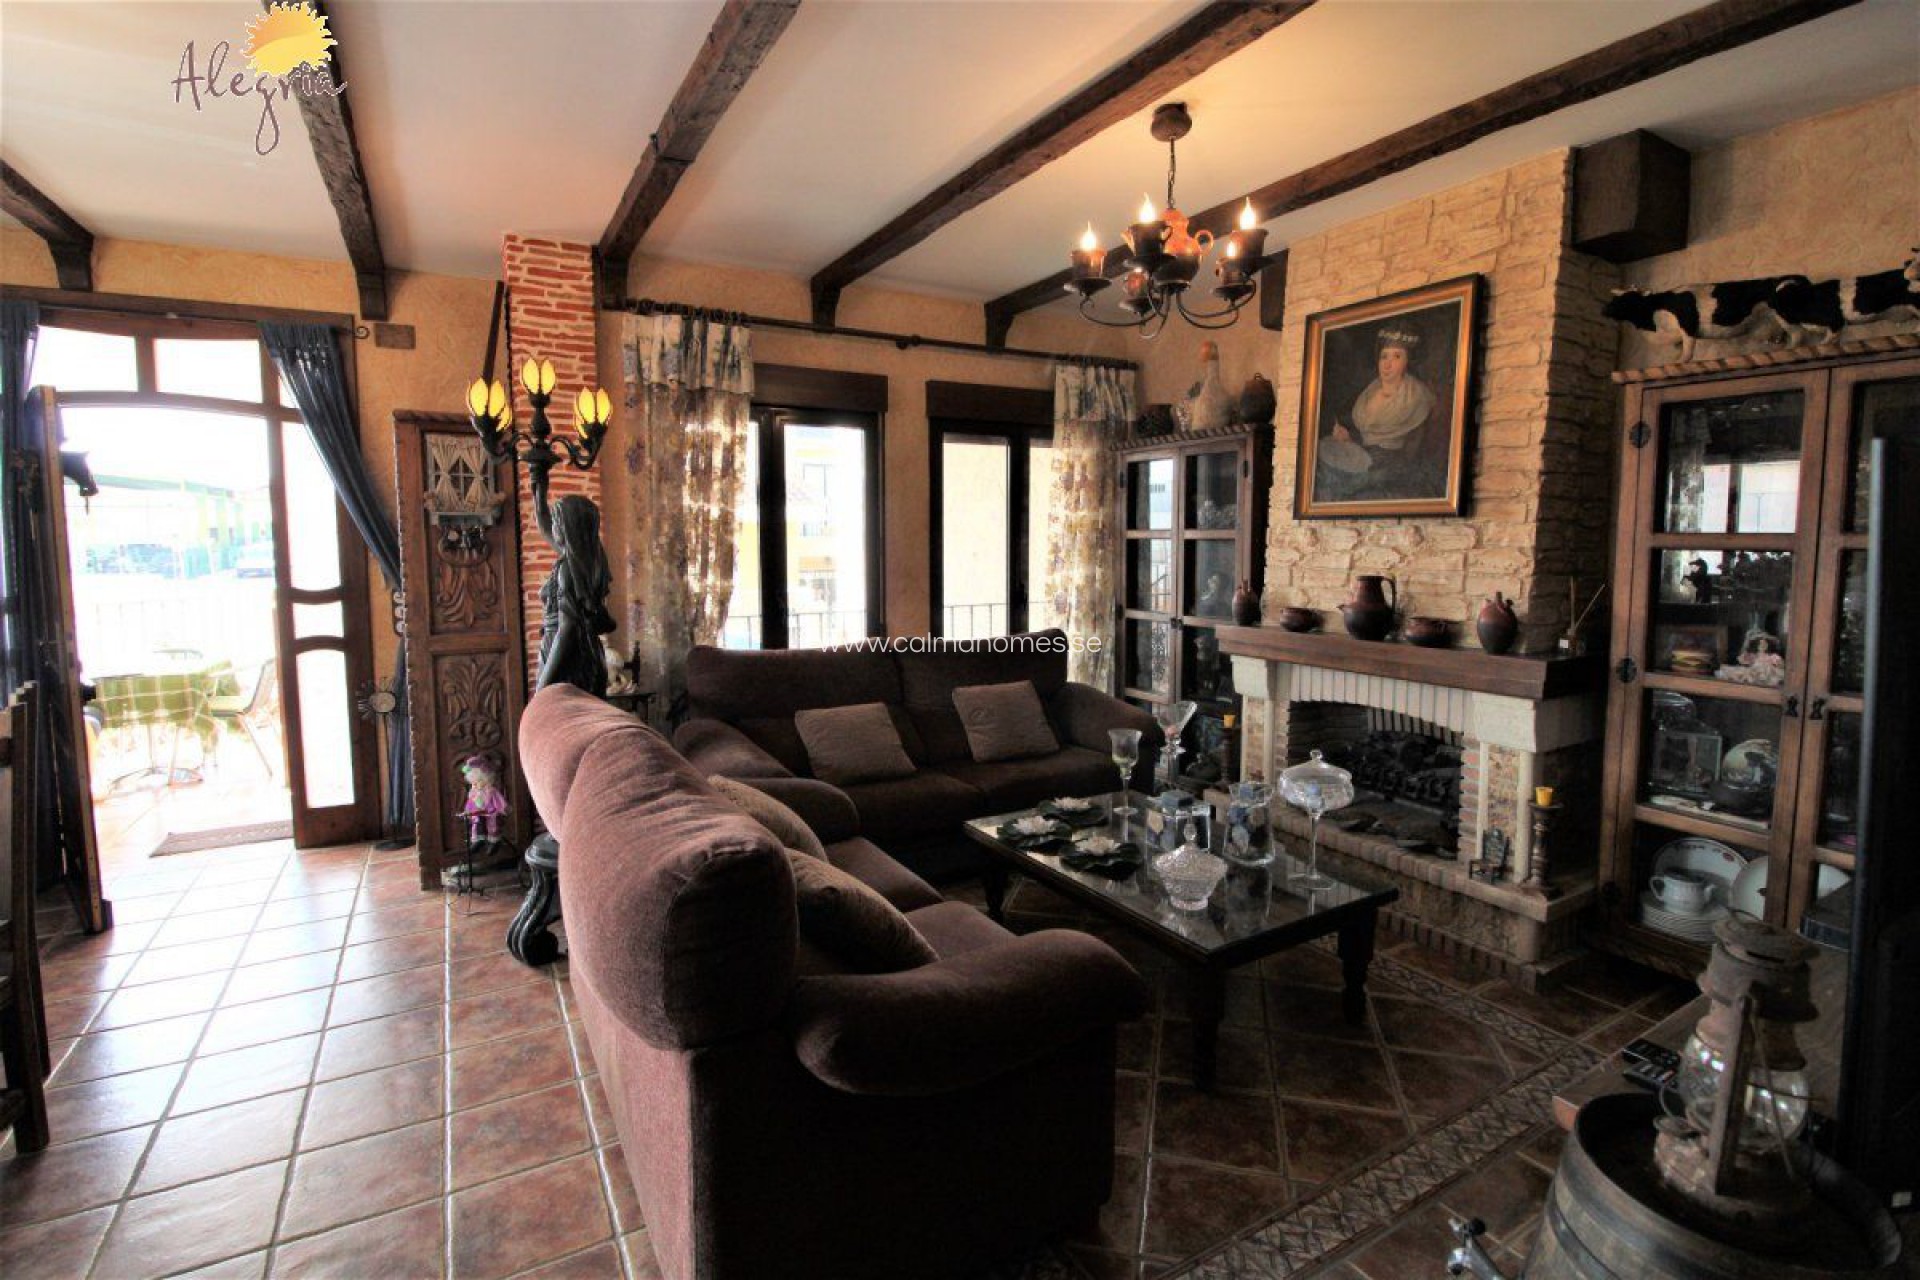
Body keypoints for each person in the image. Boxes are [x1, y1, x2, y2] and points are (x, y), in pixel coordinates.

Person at [1324, 328, 1442, 497]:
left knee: (1347, 489)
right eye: (1384, 356)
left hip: (1391, 469)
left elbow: (1411, 453)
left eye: (1397, 356)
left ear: (1408, 361)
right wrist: (1348, 438)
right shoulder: (1370, 391)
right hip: (1363, 458)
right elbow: (1368, 437)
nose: (1387, 364)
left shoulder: (1417, 397)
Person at [537, 494, 616, 694]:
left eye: (556, 522)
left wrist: (541, 688)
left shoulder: (568, 569)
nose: (553, 527)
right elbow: (544, 527)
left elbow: (567, 629)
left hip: (568, 658)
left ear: (567, 527)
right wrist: (539, 489)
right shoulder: (586, 564)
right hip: (583, 652)